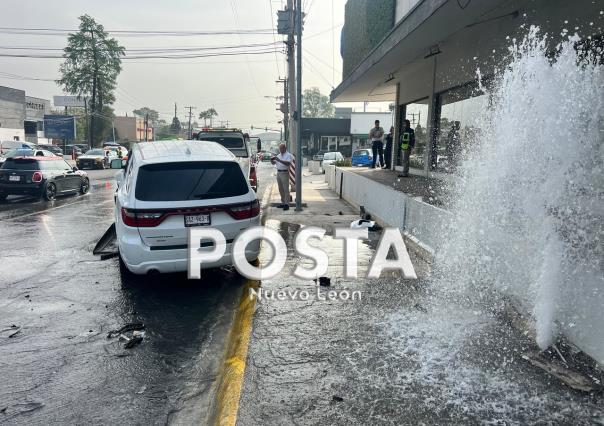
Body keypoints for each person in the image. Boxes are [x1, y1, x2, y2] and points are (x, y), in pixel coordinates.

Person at [271, 143, 293, 211]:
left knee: (286, 189)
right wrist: (271, 160)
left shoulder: (289, 155)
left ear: (285, 148)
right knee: (280, 189)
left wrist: (279, 160)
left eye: (281, 148)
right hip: (279, 173)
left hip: (285, 172)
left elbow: (288, 163)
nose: (280, 150)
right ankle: (283, 202)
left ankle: (287, 204)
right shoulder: (278, 155)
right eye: (279, 148)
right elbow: (274, 163)